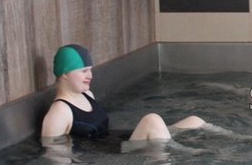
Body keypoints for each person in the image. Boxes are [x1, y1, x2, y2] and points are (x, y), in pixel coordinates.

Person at [41, 44, 206, 141]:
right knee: (152, 120)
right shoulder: (59, 112)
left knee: (195, 121)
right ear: (65, 74)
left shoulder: (87, 95)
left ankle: (223, 142)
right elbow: (54, 156)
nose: (90, 76)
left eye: (90, 70)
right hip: (111, 153)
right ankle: (183, 154)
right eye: (84, 71)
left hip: (119, 140)